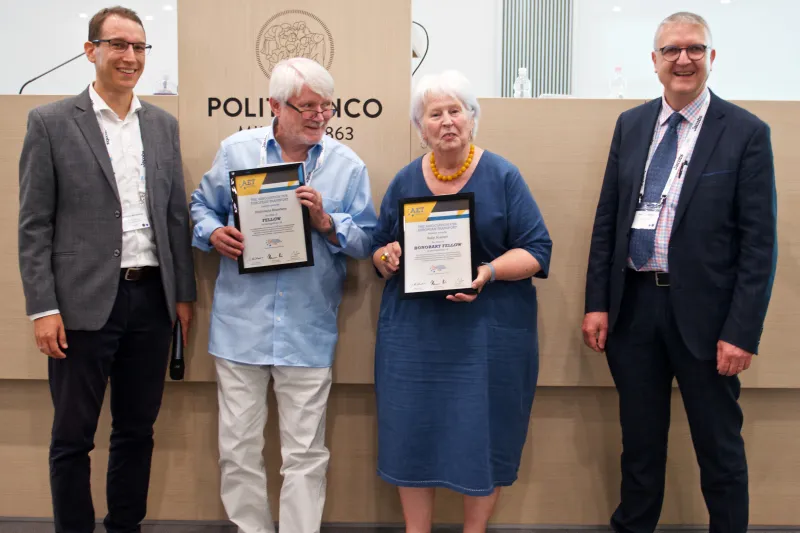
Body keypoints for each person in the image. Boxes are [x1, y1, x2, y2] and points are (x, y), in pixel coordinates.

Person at [581, 12, 777, 533]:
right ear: (655, 60)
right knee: (640, 448)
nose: (682, 59)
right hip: (634, 311)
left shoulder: (746, 133)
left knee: (719, 451)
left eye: (694, 49)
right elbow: (609, 220)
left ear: (711, 58)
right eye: (671, 50)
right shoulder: (631, 125)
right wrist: (597, 302)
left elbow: (760, 245)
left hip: (709, 322)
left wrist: (741, 331)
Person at [17, 6, 196, 533]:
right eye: (118, 45)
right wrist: (43, 307)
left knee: (137, 431)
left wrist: (182, 296)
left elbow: (175, 216)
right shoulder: (50, 122)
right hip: (80, 304)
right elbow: (34, 225)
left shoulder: (162, 126)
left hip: (151, 301)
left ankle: (125, 527)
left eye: (139, 47)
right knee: (72, 437)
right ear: (91, 50)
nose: (130, 57)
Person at [189, 57, 377, 533]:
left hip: (307, 329)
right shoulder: (236, 152)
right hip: (240, 329)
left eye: (327, 107)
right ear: (275, 105)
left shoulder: (347, 166)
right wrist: (213, 235)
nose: (319, 116)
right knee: (238, 449)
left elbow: (367, 242)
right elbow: (199, 207)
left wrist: (327, 223)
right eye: (307, 106)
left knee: (306, 453)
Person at [371, 70, 552, 533]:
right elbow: (379, 246)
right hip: (414, 337)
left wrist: (487, 272)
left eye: (456, 111)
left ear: (472, 118)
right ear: (420, 127)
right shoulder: (406, 179)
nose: (447, 121)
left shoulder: (504, 174)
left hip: (487, 335)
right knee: (411, 431)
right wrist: (387, 256)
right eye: (435, 114)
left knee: (484, 432)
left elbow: (536, 250)